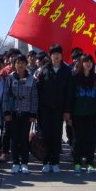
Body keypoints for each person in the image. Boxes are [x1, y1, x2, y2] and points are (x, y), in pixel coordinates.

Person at [35, 44, 74, 173]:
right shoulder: (44, 70)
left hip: (59, 108)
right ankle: (46, 161)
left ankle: (55, 162)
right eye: (53, 53)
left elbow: (69, 92)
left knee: (57, 135)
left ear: (62, 55)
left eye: (58, 53)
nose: (56, 56)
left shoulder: (66, 71)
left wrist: (67, 110)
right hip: (45, 107)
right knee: (46, 135)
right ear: (50, 55)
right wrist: (37, 109)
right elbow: (38, 90)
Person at [3, 54, 38, 174]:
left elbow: (34, 97)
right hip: (13, 113)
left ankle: (24, 162)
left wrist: (33, 114)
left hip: (26, 113)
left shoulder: (32, 79)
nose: (20, 65)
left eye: (23, 62)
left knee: (24, 139)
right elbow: (5, 96)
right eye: (18, 63)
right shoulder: (10, 78)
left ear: (26, 64)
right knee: (14, 139)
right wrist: (6, 112)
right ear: (14, 64)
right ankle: (15, 162)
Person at [70, 54, 96, 173]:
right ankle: (77, 163)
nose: (88, 64)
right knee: (77, 139)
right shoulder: (75, 78)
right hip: (77, 114)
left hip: (92, 114)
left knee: (91, 139)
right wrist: (69, 114)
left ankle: (90, 163)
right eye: (86, 62)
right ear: (81, 63)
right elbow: (70, 97)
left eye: (90, 62)